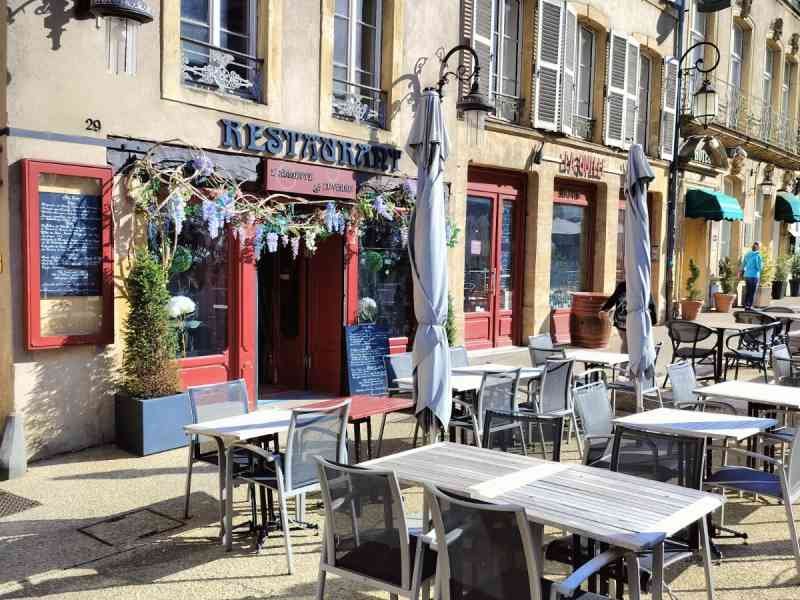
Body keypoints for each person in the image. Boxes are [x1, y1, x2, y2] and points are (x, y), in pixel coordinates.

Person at [598, 280, 657, 354]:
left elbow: (650, 303)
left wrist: (653, 319)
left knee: (627, 342)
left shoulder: (642, 285)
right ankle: (625, 363)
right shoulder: (623, 285)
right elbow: (613, 298)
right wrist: (604, 309)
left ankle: (626, 363)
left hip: (633, 320)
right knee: (627, 342)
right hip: (621, 320)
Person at [741, 241, 763, 310]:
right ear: (758, 247)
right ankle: (749, 306)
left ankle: (746, 305)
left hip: (747, 275)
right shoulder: (757, 255)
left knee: (748, 291)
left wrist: (741, 271)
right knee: (752, 292)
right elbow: (758, 267)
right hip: (754, 275)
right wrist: (762, 265)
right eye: (759, 246)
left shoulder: (747, 254)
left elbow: (743, 264)